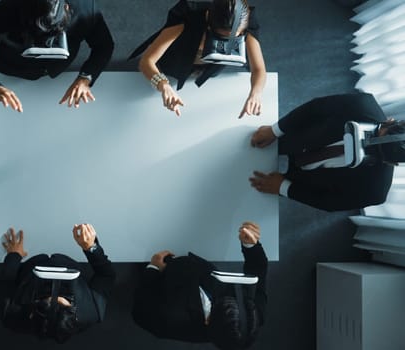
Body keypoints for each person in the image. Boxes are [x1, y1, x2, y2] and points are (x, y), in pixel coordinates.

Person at [249, 93, 404, 211]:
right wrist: (275, 130)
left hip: (298, 180)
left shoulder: (375, 191)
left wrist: (283, 188)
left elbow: (328, 202)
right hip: (293, 137)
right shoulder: (361, 105)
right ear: (389, 121)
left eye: (375, 152)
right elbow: (314, 109)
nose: (362, 146)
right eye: (372, 136)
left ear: (392, 163)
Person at [132, 222, 267, 349]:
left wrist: (153, 269)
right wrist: (250, 246)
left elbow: (140, 313)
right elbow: (258, 271)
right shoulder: (252, 314)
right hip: (193, 254)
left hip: (160, 268)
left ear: (208, 320)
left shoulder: (168, 322)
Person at [0, 0, 114, 112]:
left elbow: (104, 45)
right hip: (12, 68)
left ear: (67, 7)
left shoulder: (85, 9)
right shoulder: (1, 14)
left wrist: (85, 78)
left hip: (57, 74)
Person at [129, 0, 266, 117]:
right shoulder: (188, 16)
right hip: (178, 58)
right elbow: (147, 61)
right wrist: (163, 85)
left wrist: (255, 93)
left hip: (211, 67)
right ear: (207, 19)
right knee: (168, 69)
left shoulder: (244, 19)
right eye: (221, 37)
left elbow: (259, 68)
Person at [0, 224, 115, 343]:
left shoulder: (11, 315)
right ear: (75, 313)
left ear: (31, 313)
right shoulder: (92, 312)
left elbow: (6, 280)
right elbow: (106, 275)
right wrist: (91, 248)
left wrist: (14, 255)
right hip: (71, 256)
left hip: (32, 258)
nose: (54, 290)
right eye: (63, 298)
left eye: (46, 296)